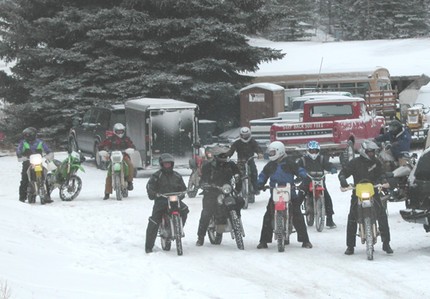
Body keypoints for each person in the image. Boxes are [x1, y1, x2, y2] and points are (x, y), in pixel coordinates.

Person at [338, 140, 393, 255]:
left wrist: (383, 181)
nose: (372, 154)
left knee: (382, 215)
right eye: (369, 151)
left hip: (373, 192)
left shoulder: (376, 162)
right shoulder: (354, 163)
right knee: (352, 217)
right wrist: (343, 180)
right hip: (357, 193)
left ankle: (386, 243)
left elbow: (381, 173)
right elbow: (343, 172)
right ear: (363, 151)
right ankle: (350, 246)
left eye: (373, 151)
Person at [256, 141, 313, 249]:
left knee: (297, 215)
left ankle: (305, 240)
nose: (271, 155)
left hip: (290, 193)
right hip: (275, 194)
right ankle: (263, 241)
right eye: (270, 153)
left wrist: (303, 176)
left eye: (273, 153)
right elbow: (263, 175)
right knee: (268, 216)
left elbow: (300, 170)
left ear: (279, 151)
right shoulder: (270, 165)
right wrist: (259, 184)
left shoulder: (290, 163)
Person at [196, 145, 243, 246]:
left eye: (226, 155)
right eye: (222, 156)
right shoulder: (208, 166)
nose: (225, 158)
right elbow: (203, 179)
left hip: (226, 190)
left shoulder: (231, 165)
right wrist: (205, 184)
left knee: (238, 202)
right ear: (216, 156)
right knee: (206, 212)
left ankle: (236, 222)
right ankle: (200, 237)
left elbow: (237, 176)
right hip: (212, 191)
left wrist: (238, 187)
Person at [145, 153, 189, 253]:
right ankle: (148, 246)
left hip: (175, 200)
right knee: (154, 220)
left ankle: (178, 228)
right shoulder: (156, 176)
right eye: (165, 164)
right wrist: (154, 194)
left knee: (185, 210)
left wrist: (183, 194)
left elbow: (183, 189)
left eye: (169, 164)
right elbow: (149, 187)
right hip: (162, 200)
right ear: (161, 164)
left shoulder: (177, 176)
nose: (167, 166)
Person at [297, 140, 338, 228]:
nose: (314, 153)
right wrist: (299, 175)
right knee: (298, 198)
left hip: (320, 183)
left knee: (327, 198)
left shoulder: (322, 159)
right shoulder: (303, 160)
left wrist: (332, 168)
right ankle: (294, 219)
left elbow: (329, 165)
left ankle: (329, 220)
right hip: (306, 183)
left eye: (315, 151)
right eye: (312, 151)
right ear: (308, 151)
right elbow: (297, 168)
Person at [98, 123, 135, 200]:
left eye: (121, 131)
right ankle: (107, 193)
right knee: (109, 174)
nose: (120, 133)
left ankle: (129, 182)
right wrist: (102, 150)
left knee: (130, 165)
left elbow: (132, 146)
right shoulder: (110, 139)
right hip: (113, 157)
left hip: (124, 156)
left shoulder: (126, 139)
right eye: (118, 131)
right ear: (114, 131)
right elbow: (101, 145)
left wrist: (130, 149)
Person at [16, 127, 53, 203]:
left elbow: (47, 149)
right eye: (25, 135)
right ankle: (22, 197)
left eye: (28, 135)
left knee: (44, 178)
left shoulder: (40, 142)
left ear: (32, 135)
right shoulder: (23, 143)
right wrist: (20, 156)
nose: (26, 136)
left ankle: (47, 196)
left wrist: (49, 154)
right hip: (27, 162)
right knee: (24, 179)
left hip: (38, 162)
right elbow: (18, 150)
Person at [226, 127, 264, 196]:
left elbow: (258, 148)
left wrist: (260, 153)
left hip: (250, 160)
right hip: (241, 161)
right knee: (236, 174)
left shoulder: (252, 142)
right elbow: (231, 151)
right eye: (243, 135)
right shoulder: (237, 143)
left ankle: (255, 188)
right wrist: (227, 156)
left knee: (254, 172)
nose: (245, 137)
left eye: (246, 135)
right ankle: (235, 188)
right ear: (240, 135)